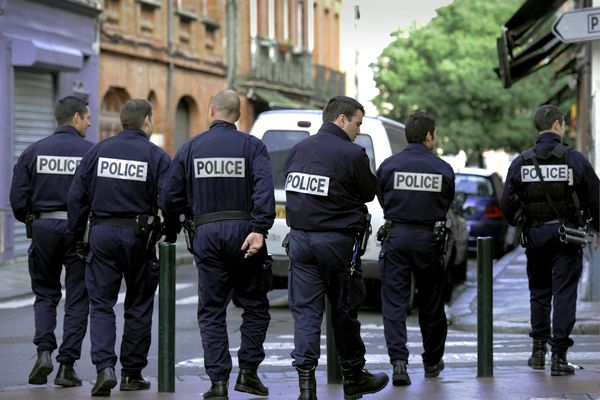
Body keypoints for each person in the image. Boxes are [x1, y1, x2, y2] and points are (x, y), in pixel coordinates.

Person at [160, 90, 275, 400]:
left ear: (211, 110)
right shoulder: (253, 146)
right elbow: (265, 189)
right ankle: (248, 373)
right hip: (245, 232)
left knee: (212, 310)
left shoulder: (190, 148)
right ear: (237, 115)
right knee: (254, 305)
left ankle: (219, 383)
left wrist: (175, 228)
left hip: (207, 233)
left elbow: (169, 198)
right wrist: (260, 228)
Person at [68, 99, 177, 396]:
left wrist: (78, 236)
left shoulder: (98, 151)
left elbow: (77, 196)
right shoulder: (156, 156)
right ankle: (131, 373)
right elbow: (170, 200)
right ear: (147, 122)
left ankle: (105, 368)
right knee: (139, 304)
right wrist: (169, 231)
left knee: (101, 304)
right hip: (139, 238)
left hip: (101, 234)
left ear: (121, 122)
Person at [284, 96, 388, 400]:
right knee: (344, 311)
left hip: (300, 242)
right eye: (357, 123)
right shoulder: (353, 153)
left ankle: (306, 388)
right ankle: (354, 377)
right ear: (341, 119)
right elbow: (369, 192)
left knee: (305, 314)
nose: (358, 130)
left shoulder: (297, 150)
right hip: (337, 244)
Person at [500, 104, 599, 376]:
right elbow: (595, 196)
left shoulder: (522, 161)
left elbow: (507, 203)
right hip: (568, 236)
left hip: (535, 236)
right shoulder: (574, 159)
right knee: (565, 294)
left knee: (540, 293)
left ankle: (538, 352)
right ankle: (558, 357)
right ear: (557, 125)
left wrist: (524, 222)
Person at [9, 95, 92, 387]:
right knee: (78, 297)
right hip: (77, 229)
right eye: (88, 118)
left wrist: (34, 220)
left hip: (43, 227)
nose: (90, 123)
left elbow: (17, 199)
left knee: (45, 293)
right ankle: (66, 366)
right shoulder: (91, 152)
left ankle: (44, 351)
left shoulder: (34, 151)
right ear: (76, 118)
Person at [376, 111, 454, 386]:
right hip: (429, 241)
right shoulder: (442, 168)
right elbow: (447, 202)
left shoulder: (388, 166)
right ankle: (432, 361)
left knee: (394, 304)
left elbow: (382, 197)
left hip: (396, 237)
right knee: (431, 304)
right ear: (429, 136)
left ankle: (399, 362)